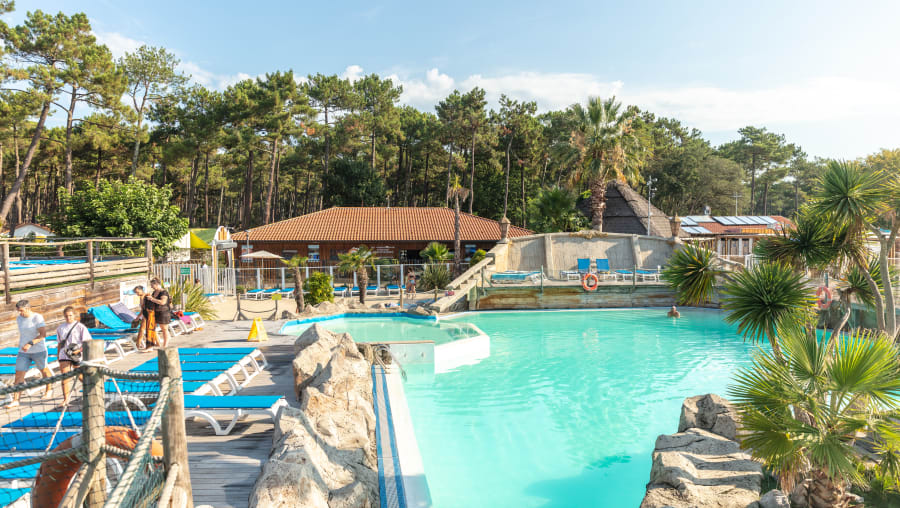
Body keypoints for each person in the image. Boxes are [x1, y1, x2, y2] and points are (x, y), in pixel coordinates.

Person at [10, 300, 52, 406]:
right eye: (18, 311)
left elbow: (43, 334)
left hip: (38, 350)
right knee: (18, 374)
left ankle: (49, 389)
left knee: (44, 370)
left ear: (28, 308)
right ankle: (16, 400)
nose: (20, 313)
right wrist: (24, 345)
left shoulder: (37, 317)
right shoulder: (19, 318)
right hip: (23, 352)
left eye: (21, 311)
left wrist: (30, 343)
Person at [56, 306, 91, 403]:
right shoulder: (60, 328)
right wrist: (58, 354)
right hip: (65, 353)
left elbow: (87, 341)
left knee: (79, 374)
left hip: (76, 353)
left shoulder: (80, 327)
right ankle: (66, 399)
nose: (68, 318)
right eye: (66, 316)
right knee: (65, 376)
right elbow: (59, 343)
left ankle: (90, 388)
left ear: (74, 315)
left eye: (70, 316)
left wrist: (79, 350)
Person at [146, 279, 172, 348]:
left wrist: (151, 299)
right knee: (153, 328)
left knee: (164, 329)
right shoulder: (154, 292)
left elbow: (162, 302)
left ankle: (165, 345)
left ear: (156, 284)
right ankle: (158, 343)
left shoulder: (163, 292)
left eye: (152, 285)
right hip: (155, 312)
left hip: (164, 312)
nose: (151, 287)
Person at [133, 285, 156, 351]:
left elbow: (148, 307)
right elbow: (142, 309)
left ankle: (138, 345)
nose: (137, 294)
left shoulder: (146, 296)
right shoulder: (141, 297)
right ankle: (157, 344)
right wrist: (138, 316)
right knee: (149, 330)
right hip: (145, 314)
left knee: (142, 330)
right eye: (135, 292)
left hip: (148, 314)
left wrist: (141, 316)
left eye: (137, 292)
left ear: (141, 290)